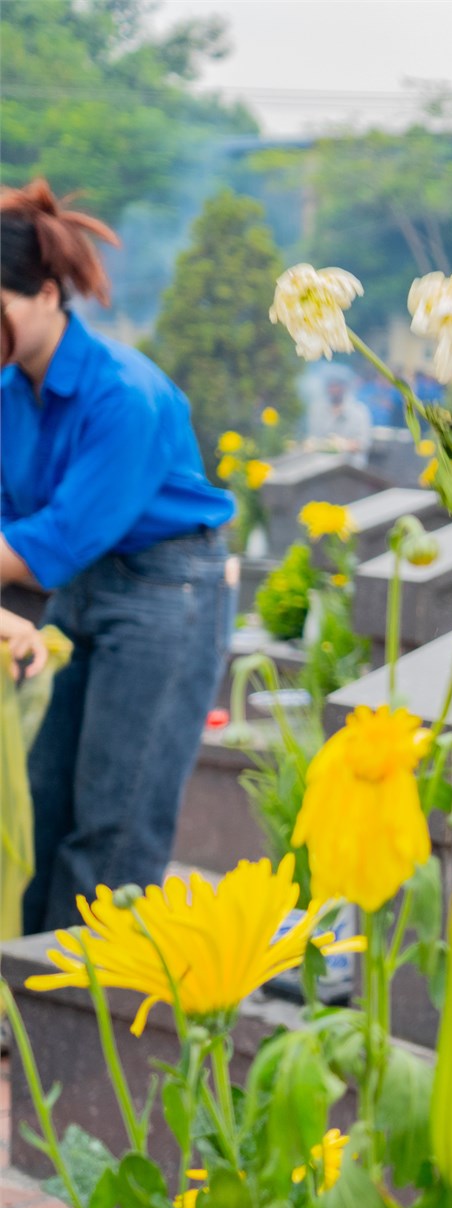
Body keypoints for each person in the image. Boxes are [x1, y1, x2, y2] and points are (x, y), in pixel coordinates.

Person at [1, 180, 234, 934]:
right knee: (41, 800)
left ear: (43, 294)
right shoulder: (11, 392)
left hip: (166, 590)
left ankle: (79, 1028)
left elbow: (53, 544)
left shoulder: (122, 396)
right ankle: (25, 1010)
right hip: (78, 588)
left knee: (115, 817)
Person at [307, 373, 373, 455]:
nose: (334, 390)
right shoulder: (317, 410)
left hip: (350, 464)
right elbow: (313, 438)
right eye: (331, 386)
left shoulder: (359, 411)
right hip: (322, 463)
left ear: (344, 388)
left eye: (337, 386)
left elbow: (364, 443)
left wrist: (342, 445)